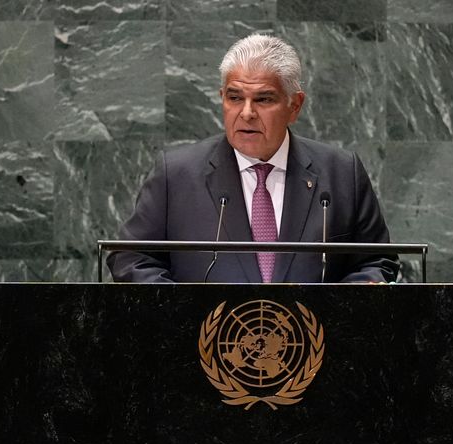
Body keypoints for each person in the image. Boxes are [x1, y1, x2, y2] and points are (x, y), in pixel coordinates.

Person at [107, 34, 399, 283]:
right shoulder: (177, 174)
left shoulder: (341, 173)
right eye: (234, 98)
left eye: (263, 99)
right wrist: (180, 310)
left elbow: (377, 261)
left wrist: (344, 304)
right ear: (222, 97)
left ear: (294, 105)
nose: (246, 113)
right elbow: (130, 256)